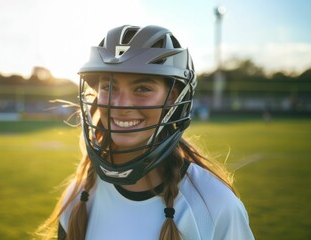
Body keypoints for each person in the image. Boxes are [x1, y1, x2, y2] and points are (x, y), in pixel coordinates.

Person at [36, 25, 254, 240]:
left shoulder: (215, 205)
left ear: (173, 98)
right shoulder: (79, 195)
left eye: (142, 89)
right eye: (108, 87)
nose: (121, 105)